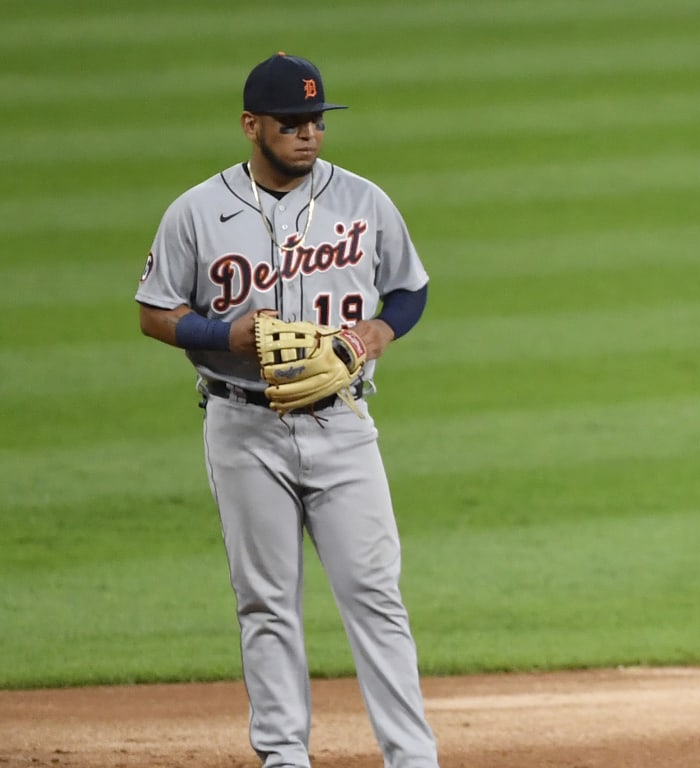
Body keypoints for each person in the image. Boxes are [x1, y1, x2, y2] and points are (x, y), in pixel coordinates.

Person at [135, 52, 438, 768]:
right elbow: (154, 312)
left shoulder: (365, 201)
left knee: (375, 595)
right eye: (291, 123)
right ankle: (283, 759)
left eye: (316, 122)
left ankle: (413, 758)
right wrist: (221, 334)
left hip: (342, 421)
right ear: (251, 125)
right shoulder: (196, 212)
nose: (308, 135)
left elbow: (411, 289)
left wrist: (376, 331)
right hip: (242, 425)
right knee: (266, 602)